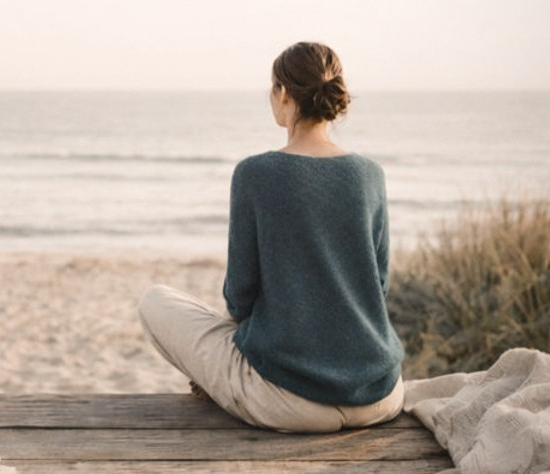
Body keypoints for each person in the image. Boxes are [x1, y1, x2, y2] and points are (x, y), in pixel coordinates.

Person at [138, 42, 405, 433]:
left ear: (283, 94)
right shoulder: (370, 174)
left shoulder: (256, 173)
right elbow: (378, 287)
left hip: (293, 403)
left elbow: (239, 297)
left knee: (155, 301)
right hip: (380, 397)